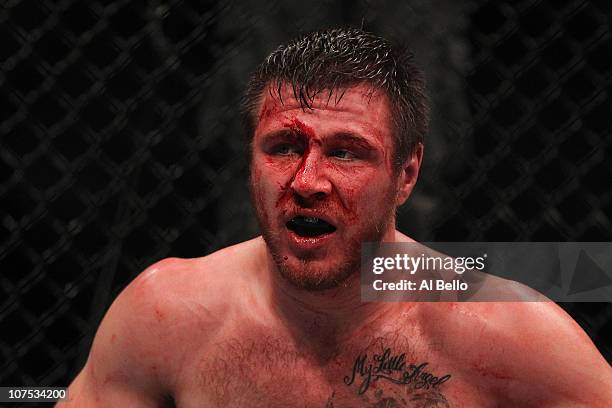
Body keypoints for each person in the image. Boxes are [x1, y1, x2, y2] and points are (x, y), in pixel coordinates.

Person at [58, 27, 611, 407]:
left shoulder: (504, 331)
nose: (306, 182)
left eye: (346, 151)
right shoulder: (167, 315)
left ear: (407, 174)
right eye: (280, 148)